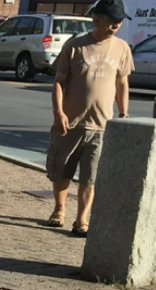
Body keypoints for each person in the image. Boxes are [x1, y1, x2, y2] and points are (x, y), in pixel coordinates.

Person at [45, 0, 132, 236]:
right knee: (62, 171)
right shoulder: (75, 46)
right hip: (70, 123)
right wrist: (59, 112)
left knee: (90, 176)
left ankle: (81, 219)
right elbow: (59, 82)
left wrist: (123, 115)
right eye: (111, 19)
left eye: (119, 20)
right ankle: (59, 209)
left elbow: (122, 83)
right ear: (97, 19)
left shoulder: (122, 48)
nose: (116, 24)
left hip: (101, 126)